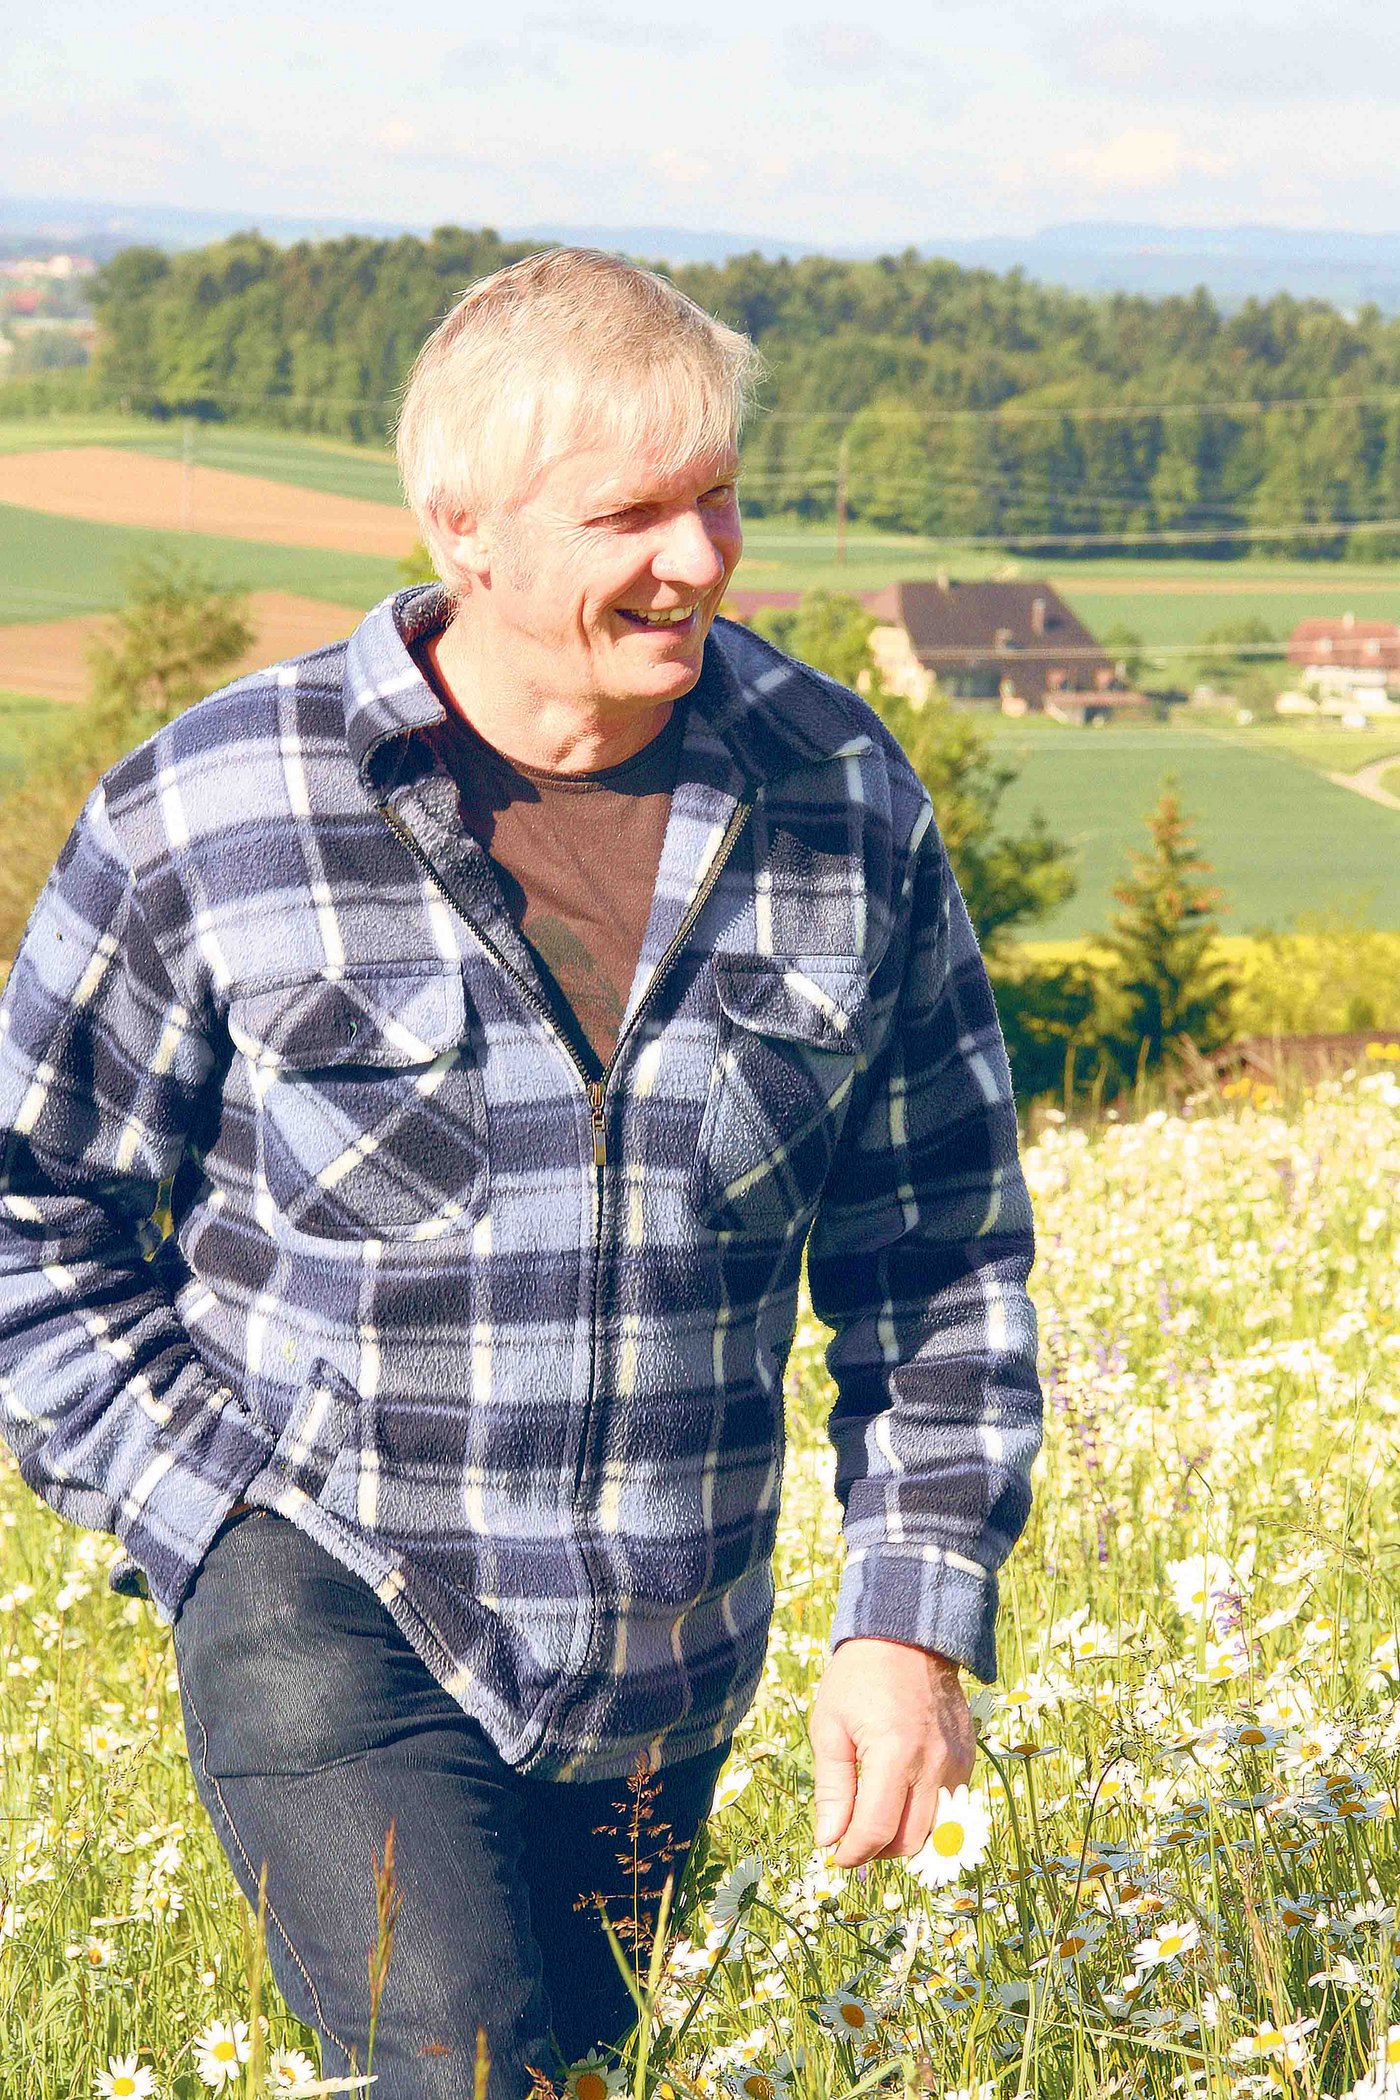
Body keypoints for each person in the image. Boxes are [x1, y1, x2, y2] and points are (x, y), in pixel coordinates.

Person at [0, 249, 1043, 2096]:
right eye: (631, 513)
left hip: (672, 1651)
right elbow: (35, 1210)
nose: (702, 558)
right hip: (334, 1599)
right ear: (461, 529)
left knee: (590, 2070)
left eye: (717, 493)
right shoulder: (216, 807)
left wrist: (908, 1618)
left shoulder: (844, 799)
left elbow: (942, 1253)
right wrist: (212, 1524)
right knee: (469, 2070)